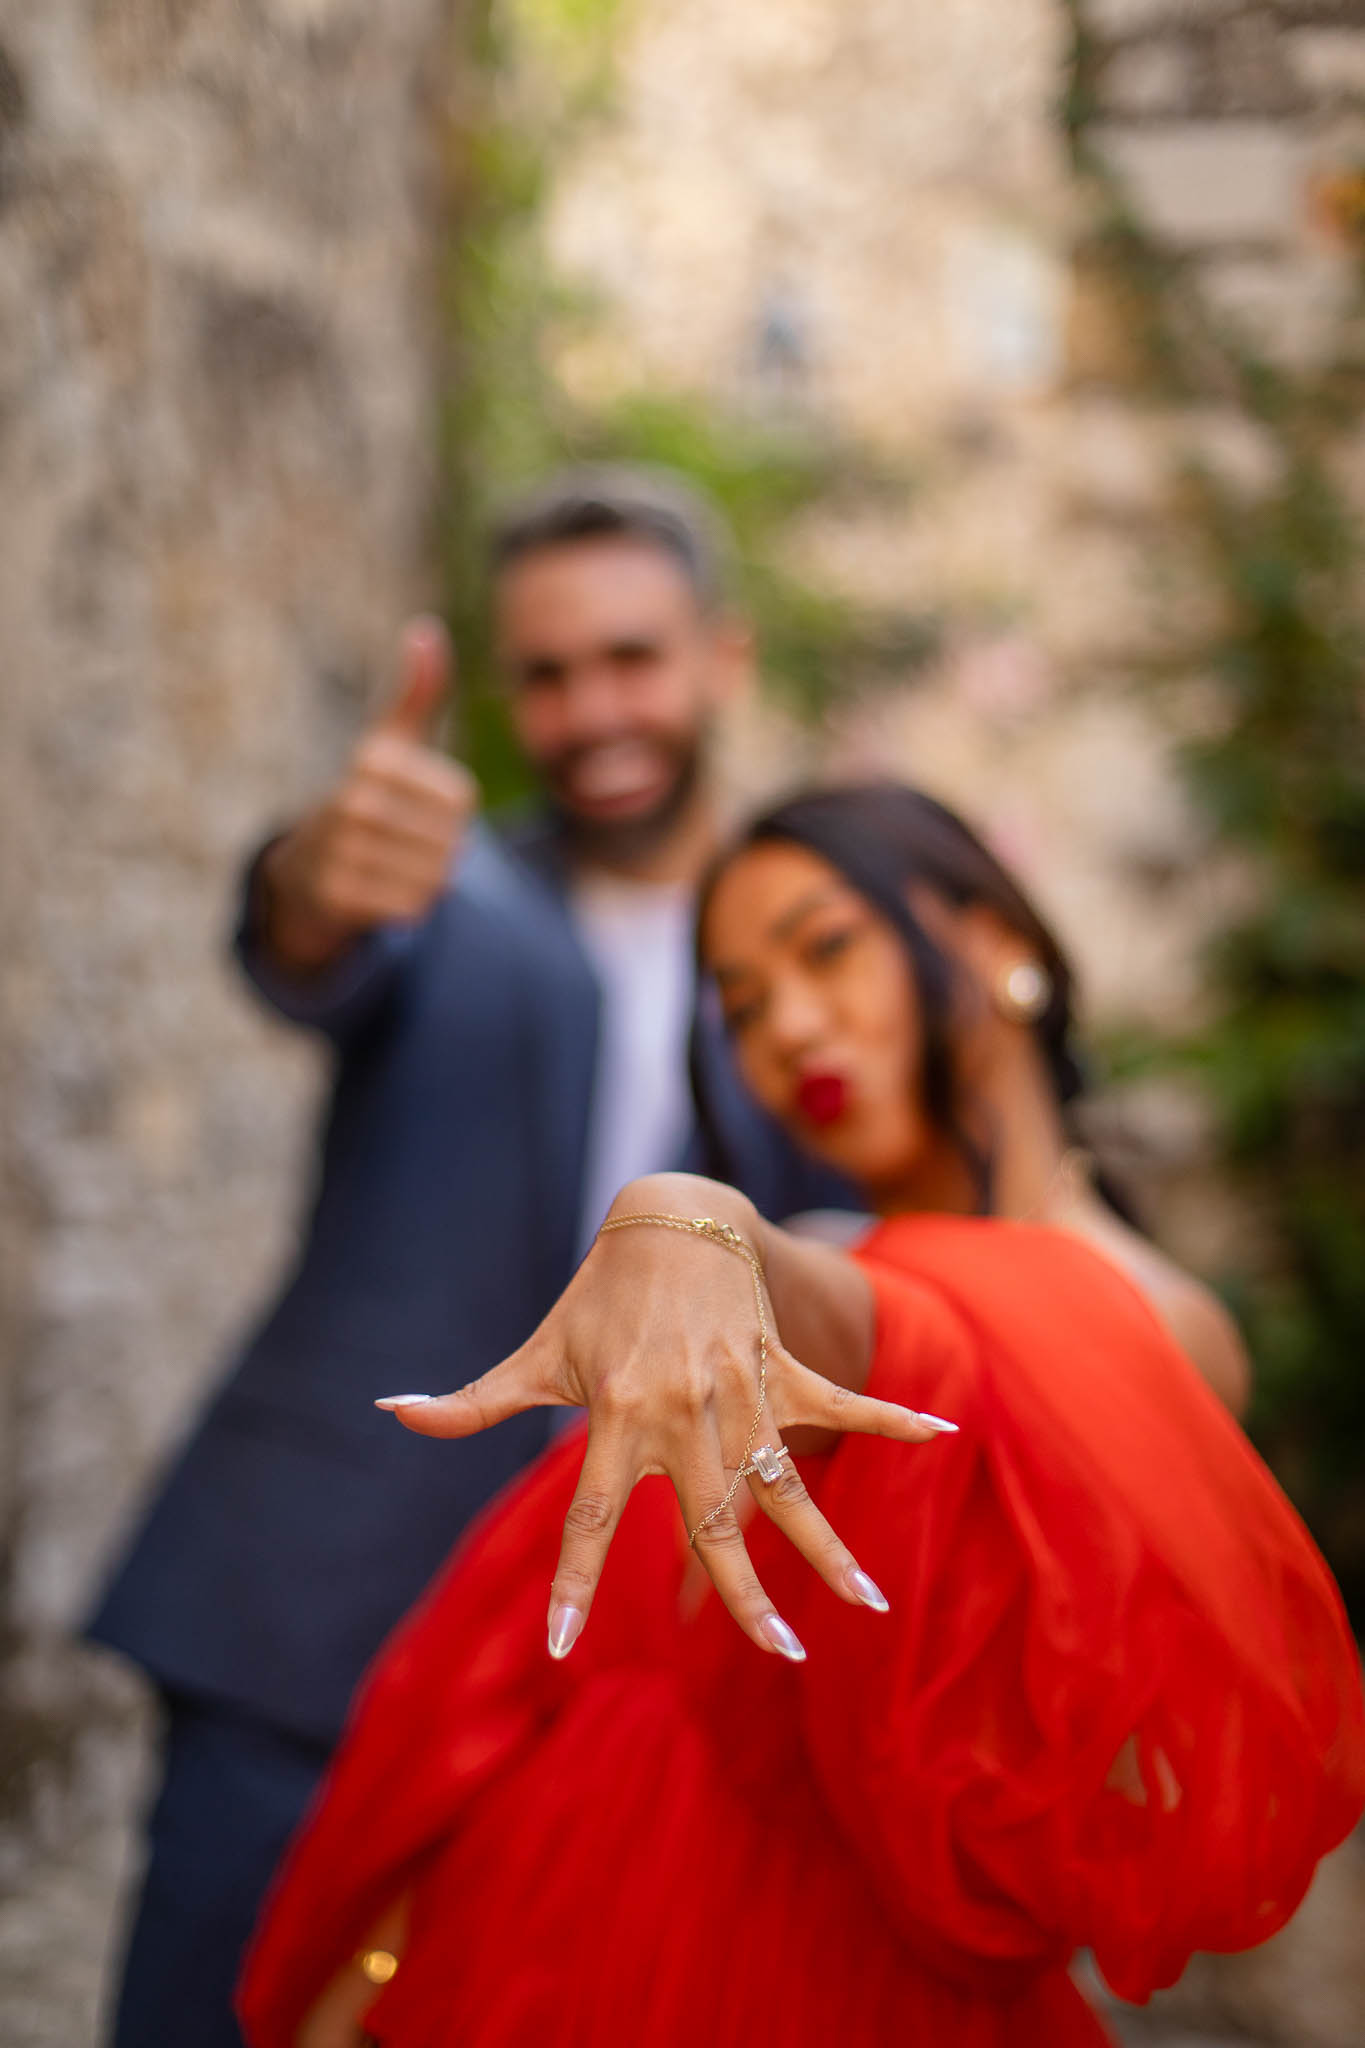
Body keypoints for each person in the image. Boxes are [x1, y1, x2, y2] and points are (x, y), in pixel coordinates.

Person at [238, 784, 1364, 2048]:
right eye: (743, 1005)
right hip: (526, 1917)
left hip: (799, 1981)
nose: (787, 1029)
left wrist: (694, 1221)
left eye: (826, 948)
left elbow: (901, 1342)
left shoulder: (1147, 1323)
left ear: (1001, 943)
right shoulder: (825, 1256)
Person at [88, 471, 851, 2048]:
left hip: (629, 1673)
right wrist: (308, 877)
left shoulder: (804, 971)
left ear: (724, 656)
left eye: (631, 658)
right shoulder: (444, 890)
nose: (593, 712)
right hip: (314, 1617)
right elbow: (304, 939)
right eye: (548, 675)